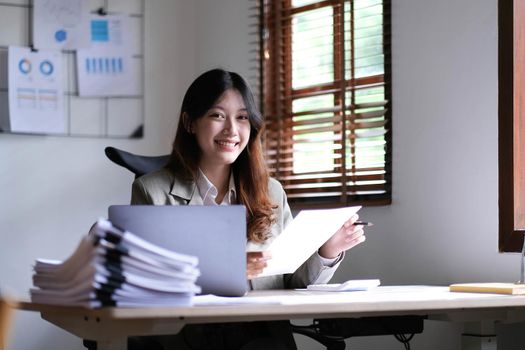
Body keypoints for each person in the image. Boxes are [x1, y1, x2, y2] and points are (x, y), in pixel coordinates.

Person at [130, 68, 366, 350]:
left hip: (262, 337)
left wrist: (328, 249)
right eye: (217, 115)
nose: (231, 130)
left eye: (242, 117)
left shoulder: (271, 191)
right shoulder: (152, 191)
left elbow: (293, 280)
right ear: (190, 122)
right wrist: (225, 271)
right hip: (190, 338)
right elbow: (145, 283)